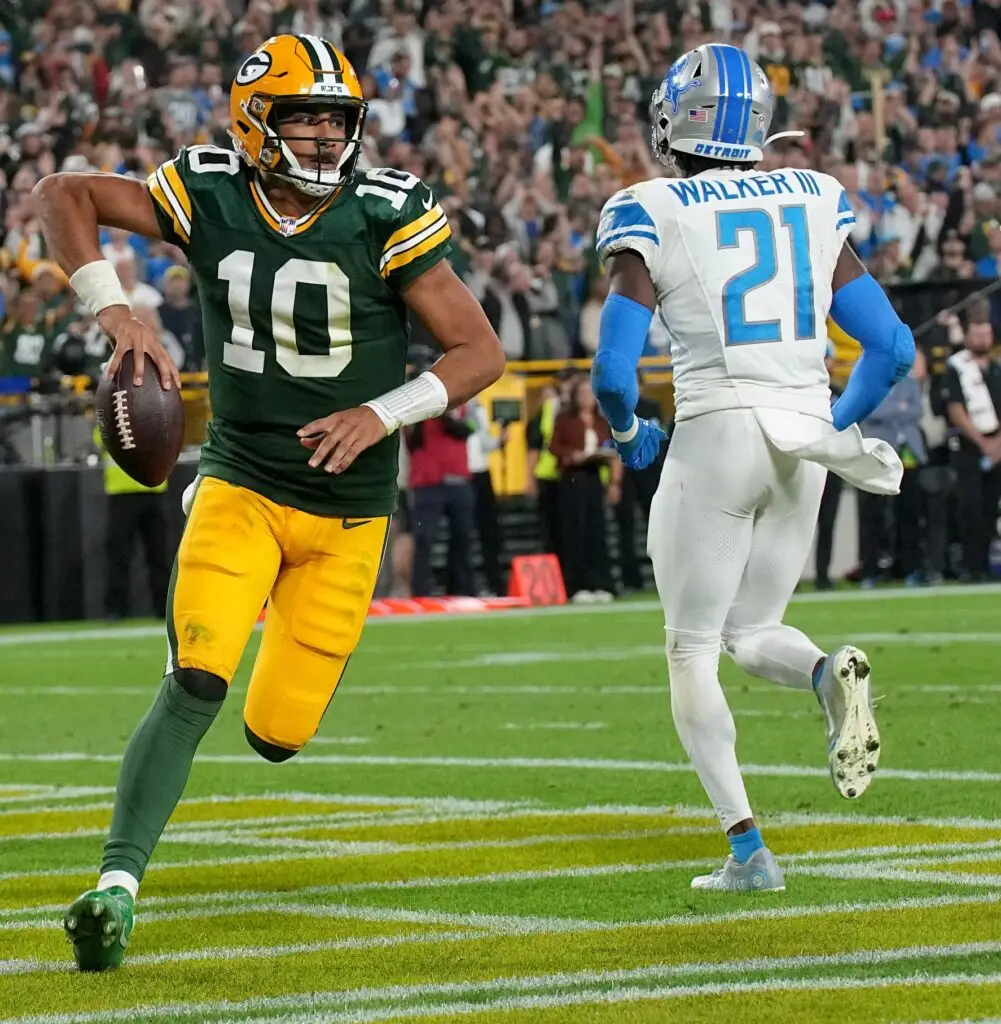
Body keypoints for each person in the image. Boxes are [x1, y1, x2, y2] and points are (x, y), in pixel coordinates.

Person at [34, 33, 504, 971]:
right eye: (306, 118)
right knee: (196, 677)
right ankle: (116, 888)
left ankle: (257, 729)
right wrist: (115, 309)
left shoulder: (382, 210)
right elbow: (64, 194)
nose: (327, 137)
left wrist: (381, 411)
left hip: (348, 512)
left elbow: (476, 351)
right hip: (242, 481)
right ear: (257, 122)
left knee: (276, 734)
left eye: (338, 120)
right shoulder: (207, 188)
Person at [589, 44, 914, 893]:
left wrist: (628, 434)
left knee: (691, 647)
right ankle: (821, 672)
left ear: (675, 117)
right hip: (800, 438)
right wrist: (822, 426)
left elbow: (612, 375)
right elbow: (891, 346)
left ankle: (748, 854)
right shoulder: (811, 192)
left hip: (715, 432)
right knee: (750, 630)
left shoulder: (649, 205)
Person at [548, 376, 620, 603]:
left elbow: (613, 448)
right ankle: (576, 585)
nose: (586, 398)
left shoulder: (602, 421)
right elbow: (554, 446)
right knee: (575, 532)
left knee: (596, 532)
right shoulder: (564, 419)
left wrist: (613, 481)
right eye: (582, 394)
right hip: (572, 479)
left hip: (594, 478)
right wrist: (572, 455)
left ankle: (600, 583)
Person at [943, 320, 1001, 581]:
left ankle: (987, 563)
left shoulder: (997, 369)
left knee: (991, 507)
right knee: (970, 507)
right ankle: (970, 565)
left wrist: (997, 442)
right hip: (968, 447)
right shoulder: (956, 368)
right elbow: (956, 408)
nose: (982, 339)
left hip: (997, 446)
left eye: (986, 333)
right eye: (977, 333)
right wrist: (982, 442)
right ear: (967, 336)